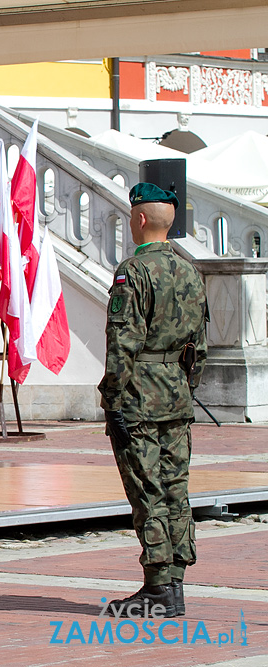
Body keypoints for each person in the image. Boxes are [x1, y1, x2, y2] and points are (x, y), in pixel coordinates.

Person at [99, 182, 208, 619]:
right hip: (176, 398)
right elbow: (199, 346)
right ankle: (175, 583)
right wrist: (186, 388)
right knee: (176, 489)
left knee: (148, 491)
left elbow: (121, 342)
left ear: (139, 219)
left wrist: (112, 398)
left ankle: (158, 587)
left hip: (139, 397)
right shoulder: (190, 271)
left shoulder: (133, 271)